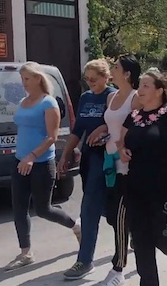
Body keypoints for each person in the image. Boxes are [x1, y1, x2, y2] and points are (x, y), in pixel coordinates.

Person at [119, 71, 167, 286]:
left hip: (164, 185)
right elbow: (121, 140)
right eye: (139, 86)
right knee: (141, 240)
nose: (139, 90)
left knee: (163, 235)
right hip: (135, 185)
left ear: (159, 90)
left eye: (145, 86)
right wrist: (122, 149)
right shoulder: (133, 115)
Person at [5, 62, 80, 270]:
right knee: (19, 209)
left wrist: (31, 156)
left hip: (40, 163)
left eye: (27, 79)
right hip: (20, 162)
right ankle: (25, 253)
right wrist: (23, 157)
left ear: (38, 78)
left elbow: (51, 137)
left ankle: (76, 227)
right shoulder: (23, 102)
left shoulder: (49, 103)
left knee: (43, 209)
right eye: (22, 79)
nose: (23, 83)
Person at [59, 59, 117, 280]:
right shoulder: (85, 98)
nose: (91, 83)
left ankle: (84, 260)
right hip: (88, 158)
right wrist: (65, 154)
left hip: (107, 158)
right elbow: (78, 129)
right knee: (106, 208)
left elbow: (121, 123)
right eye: (87, 79)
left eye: (94, 79)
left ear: (106, 77)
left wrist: (104, 127)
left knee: (89, 207)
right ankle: (130, 231)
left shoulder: (112, 96)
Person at [100, 55, 142, 285]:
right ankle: (136, 237)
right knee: (112, 215)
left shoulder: (137, 99)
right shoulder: (111, 96)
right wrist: (102, 134)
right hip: (109, 163)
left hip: (128, 164)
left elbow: (138, 128)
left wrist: (125, 145)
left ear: (127, 74)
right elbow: (112, 126)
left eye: (115, 68)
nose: (112, 70)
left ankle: (118, 270)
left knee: (119, 216)